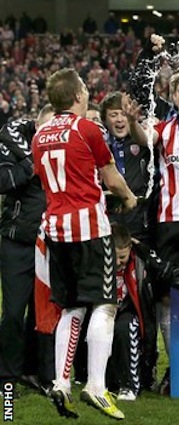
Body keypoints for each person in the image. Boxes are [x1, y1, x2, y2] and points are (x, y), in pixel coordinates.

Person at [32, 68, 138, 419]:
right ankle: (96, 385)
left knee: (71, 307)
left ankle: (61, 383)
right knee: (104, 305)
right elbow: (110, 176)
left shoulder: (40, 134)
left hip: (56, 230)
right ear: (78, 95)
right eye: (85, 91)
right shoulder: (86, 128)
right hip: (90, 229)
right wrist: (128, 197)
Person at [106, 223, 179, 401]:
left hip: (131, 311)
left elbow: (164, 270)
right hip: (103, 311)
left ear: (129, 248)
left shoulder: (142, 256)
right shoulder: (96, 259)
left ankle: (130, 386)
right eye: (114, 257)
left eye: (122, 257)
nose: (119, 262)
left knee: (125, 326)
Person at [0, 104, 55, 393]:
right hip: (16, 242)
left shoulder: (62, 153)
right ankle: (6, 377)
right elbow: (3, 181)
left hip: (49, 244)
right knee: (12, 312)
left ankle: (37, 373)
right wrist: (30, 163)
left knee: (42, 313)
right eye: (44, 128)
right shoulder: (12, 145)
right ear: (36, 126)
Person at [99, 91, 156, 246]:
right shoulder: (100, 144)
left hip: (141, 218)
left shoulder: (141, 138)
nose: (119, 119)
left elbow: (147, 138)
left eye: (123, 114)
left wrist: (133, 123)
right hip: (111, 219)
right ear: (104, 120)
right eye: (113, 115)